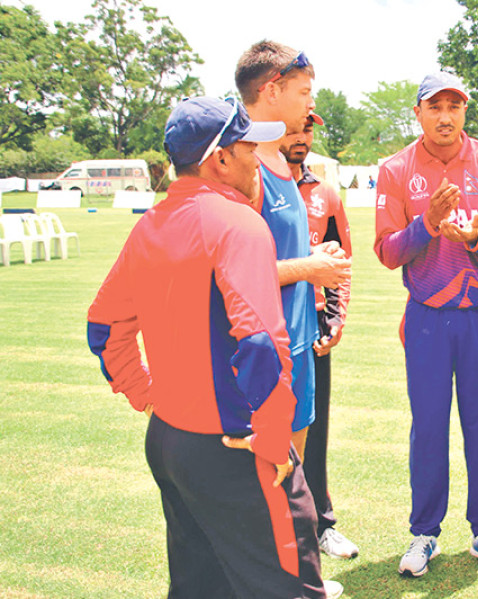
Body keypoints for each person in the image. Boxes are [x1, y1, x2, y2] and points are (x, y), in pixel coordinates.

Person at [87, 96, 330, 598]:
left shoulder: (150, 224)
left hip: (171, 441)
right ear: (220, 158)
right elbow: (261, 340)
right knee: (289, 587)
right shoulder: (237, 223)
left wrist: (147, 395)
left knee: (201, 585)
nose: (256, 160)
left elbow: (103, 326)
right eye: (248, 147)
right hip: (236, 447)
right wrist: (270, 437)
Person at [374, 71, 478, 578]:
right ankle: (424, 535)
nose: (445, 116)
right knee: (429, 429)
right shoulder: (396, 169)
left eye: (454, 106)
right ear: (417, 112)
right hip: (427, 321)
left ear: (465, 111)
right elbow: (388, 252)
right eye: (434, 106)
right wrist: (428, 225)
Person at [235, 41, 351, 464]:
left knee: (293, 477)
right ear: (271, 90)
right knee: (260, 481)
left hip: (299, 342)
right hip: (262, 352)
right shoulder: (241, 166)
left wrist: (319, 257)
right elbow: (229, 274)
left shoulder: (282, 161)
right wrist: (309, 266)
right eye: (303, 93)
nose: (310, 104)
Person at [280, 113, 360, 560]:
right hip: (266, 330)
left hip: (311, 328)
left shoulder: (325, 193)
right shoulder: (257, 186)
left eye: (307, 130)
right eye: (293, 128)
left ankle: (321, 525)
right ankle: (277, 531)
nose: (300, 138)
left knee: (314, 429)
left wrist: (335, 319)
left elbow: (340, 263)